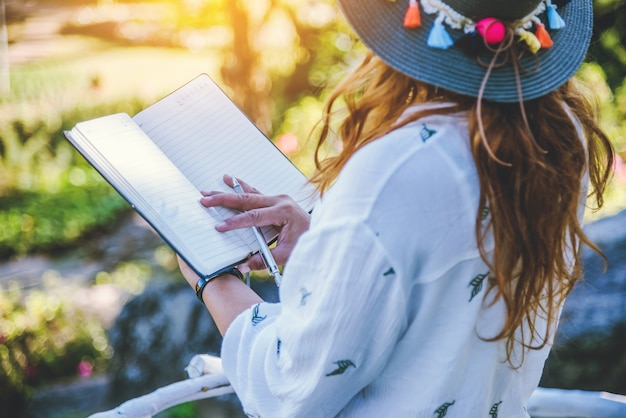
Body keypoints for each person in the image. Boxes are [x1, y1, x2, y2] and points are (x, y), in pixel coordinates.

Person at [178, 0, 614, 416]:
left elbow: (291, 389)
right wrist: (329, 245)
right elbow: (444, 291)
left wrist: (215, 281)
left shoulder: (393, 174)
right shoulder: (559, 141)